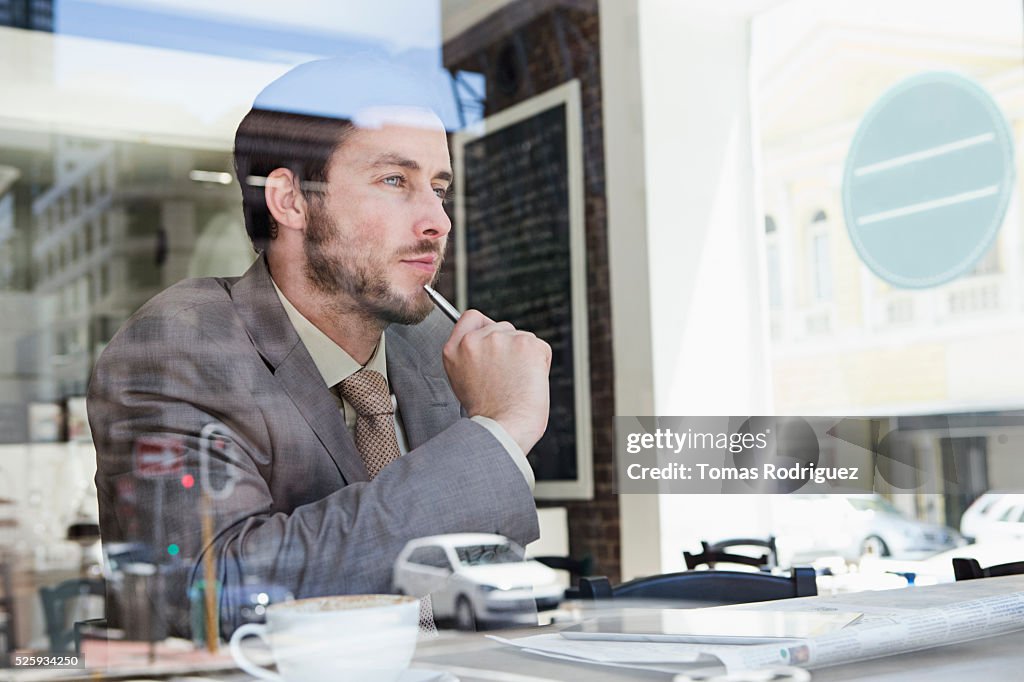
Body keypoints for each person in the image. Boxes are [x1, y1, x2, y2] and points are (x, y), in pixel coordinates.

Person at [87, 56, 551, 637]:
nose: (438, 220)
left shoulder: (439, 347)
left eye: (438, 188)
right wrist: (496, 433)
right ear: (291, 201)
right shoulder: (181, 346)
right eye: (394, 181)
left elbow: (488, 596)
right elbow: (211, 596)